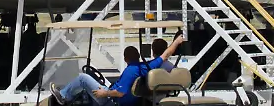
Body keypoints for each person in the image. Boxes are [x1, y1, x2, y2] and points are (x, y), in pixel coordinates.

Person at [50, 35, 184, 105]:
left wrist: (104, 93)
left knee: (82, 78)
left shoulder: (130, 71)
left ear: (125, 59)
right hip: (121, 97)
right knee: (96, 81)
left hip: (111, 101)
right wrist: (177, 41)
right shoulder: (145, 66)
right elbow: (166, 55)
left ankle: (63, 96)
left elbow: (120, 93)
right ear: (138, 56)